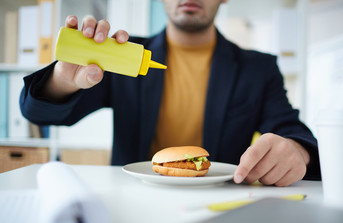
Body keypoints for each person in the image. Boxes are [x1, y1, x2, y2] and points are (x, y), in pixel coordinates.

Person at [20, 0, 321, 186]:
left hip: (221, 209)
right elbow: (38, 113)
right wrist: (62, 79)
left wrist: (298, 151)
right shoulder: (118, 55)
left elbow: (293, 131)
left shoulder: (258, 68)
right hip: (132, 204)